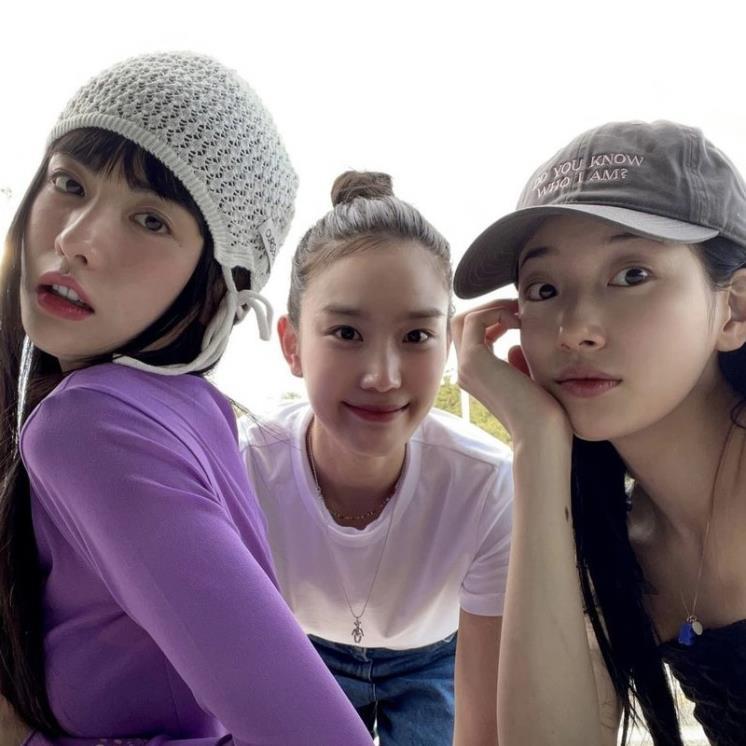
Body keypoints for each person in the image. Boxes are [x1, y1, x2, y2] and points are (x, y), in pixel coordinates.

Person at [0, 51, 374, 745]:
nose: (75, 241)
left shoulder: (89, 427)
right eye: (69, 183)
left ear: (216, 282)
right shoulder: (185, 407)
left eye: (150, 220)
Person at [451, 120, 746, 746]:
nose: (575, 328)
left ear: (735, 308)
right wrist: (537, 446)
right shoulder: (619, 543)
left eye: (632, 275)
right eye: (544, 288)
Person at [238, 171, 513, 745]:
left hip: (437, 655)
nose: (383, 377)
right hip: (301, 649)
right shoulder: (243, 470)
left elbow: (486, 729)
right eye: (346, 332)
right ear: (292, 345)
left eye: (415, 337)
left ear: (447, 346)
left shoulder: (487, 484)